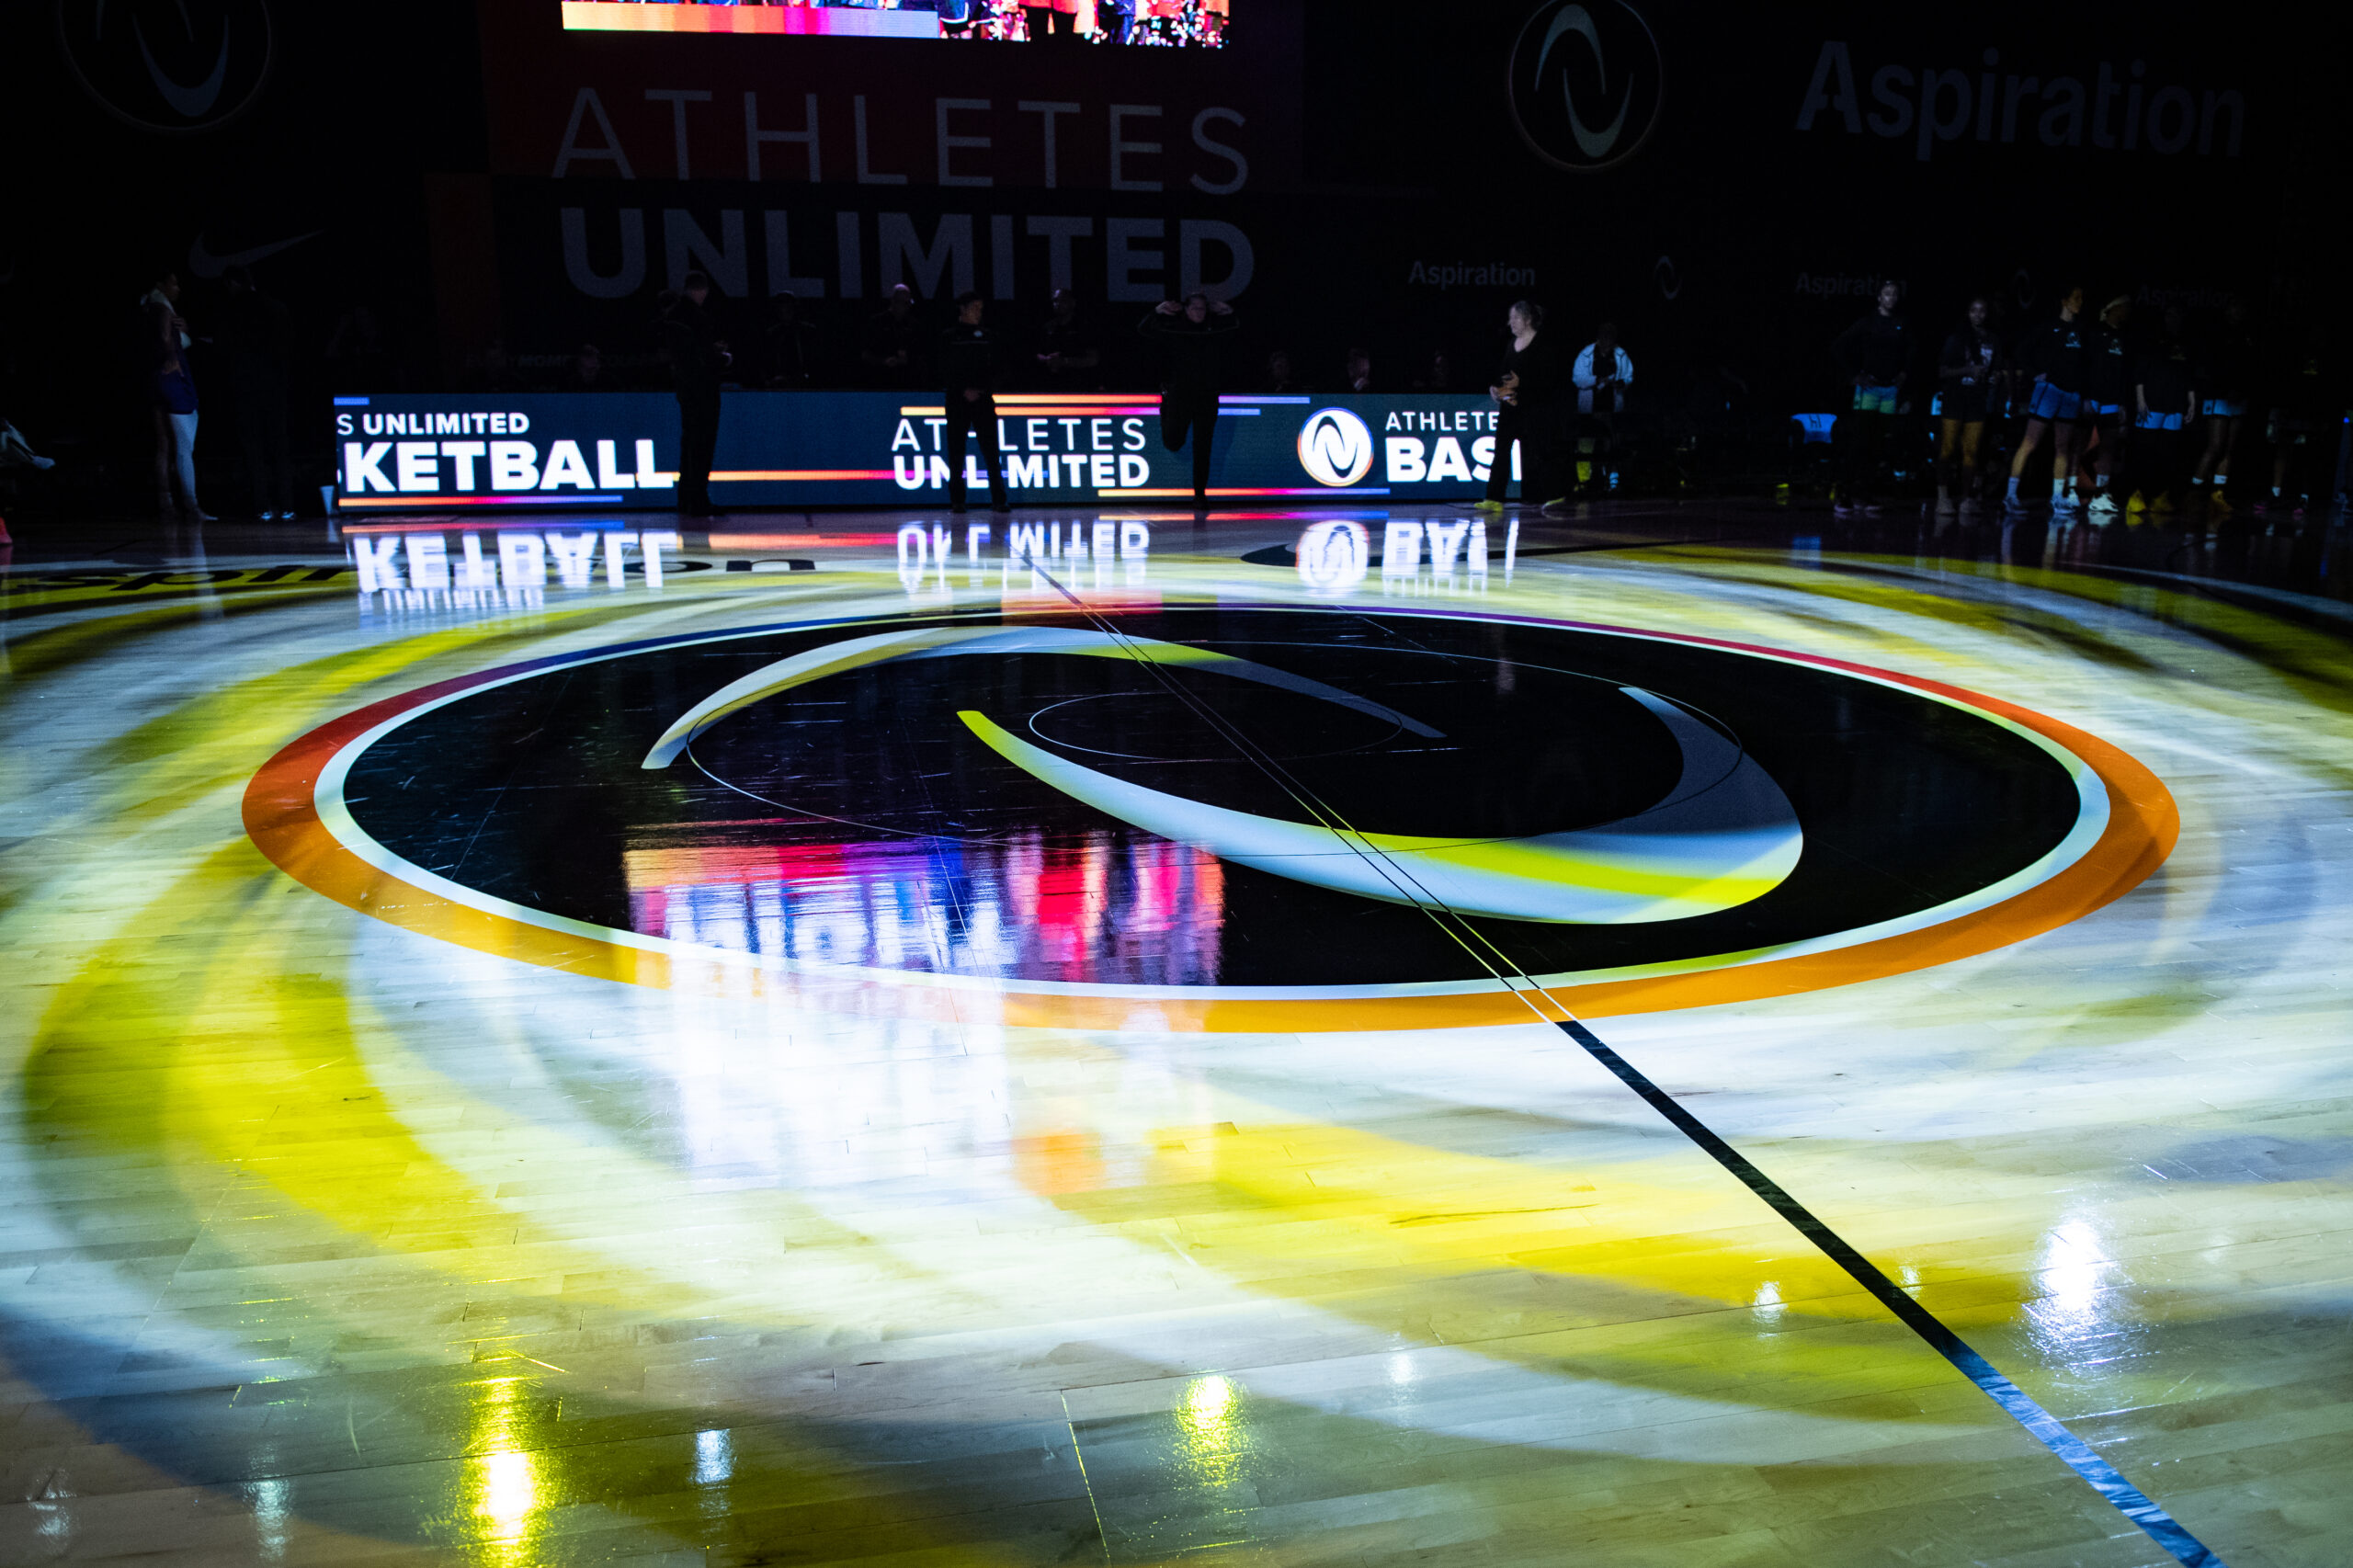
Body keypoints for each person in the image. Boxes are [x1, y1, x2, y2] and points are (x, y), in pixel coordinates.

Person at [1139, 292, 1237, 506]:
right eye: (1194, 308)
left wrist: (1229, 312)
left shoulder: (1214, 330)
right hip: (1179, 396)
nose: (1198, 312)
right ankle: (1164, 410)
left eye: (1202, 308)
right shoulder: (1175, 329)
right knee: (1173, 442)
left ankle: (1200, 494)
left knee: (1203, 446)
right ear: (1186, 309)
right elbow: (1144, 329)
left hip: (1207, 396)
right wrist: (1156, 311)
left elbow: (1236, 330)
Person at [2005, 284, 2090, 517]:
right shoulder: (2048, 327)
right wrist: (2036, 375)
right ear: (2064, 301)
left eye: (2081, 298)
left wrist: (2083, 394)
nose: (2079, 302)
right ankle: (2010, 496)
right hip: (2049, 391)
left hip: (2071, 395)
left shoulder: (2081, 330)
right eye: (2076, 297)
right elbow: (2020, 352)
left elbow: (2083, 366)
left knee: (2062, 446)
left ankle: (2057, 498)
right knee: (2030, 443)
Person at [219, 265, 296, 520]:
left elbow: (225, 349)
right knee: (279, 446)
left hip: (246, 389)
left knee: (253, 448)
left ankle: (262, 506)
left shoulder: (230, 312)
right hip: (275, 388)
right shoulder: (277, 308)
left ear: (232, 284)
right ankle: (287, 505)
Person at [657, 271, 731, 517]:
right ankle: (698, 501)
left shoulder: (673, 316)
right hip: (702, 388)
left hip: (686, 387)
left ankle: (687, 499)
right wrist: (722, 358)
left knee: (690, 443)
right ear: (703, 290)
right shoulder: (696, 316)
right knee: (701, 444)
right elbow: (702, 357)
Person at [1832, 281, 1908, 516]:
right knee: (1859, 442)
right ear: (1879, 297)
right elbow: (1839, 345)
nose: (1891, 297)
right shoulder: (1868, 323)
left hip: (1889, 391)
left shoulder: (1900, 324)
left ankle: (1864, 492)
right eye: (1887, 293)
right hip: (1869, 389)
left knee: (1878, 443)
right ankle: (1844, 492)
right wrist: (1854, 375)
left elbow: (1910, 352)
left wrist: (1904, 374)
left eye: (1894, 294)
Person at [1480, 300, 1561, 512]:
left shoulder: (1542, 344)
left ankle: (1553, 494)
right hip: (1511, 408)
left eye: (1515, 318)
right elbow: (1504, 375)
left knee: (1539, 451)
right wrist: (1497, 390)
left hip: (1535, 408)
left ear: (1527, 319)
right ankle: (1494, 498)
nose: (1510, 323)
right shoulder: (1511, 345)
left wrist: (1522, 384)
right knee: (1501, 450)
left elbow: (1549, 379)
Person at [142, 270, 210, 521]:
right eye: (174, 282)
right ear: (160, 284)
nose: (178, 288)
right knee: (183, 448)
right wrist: (173, 358)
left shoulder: (147, 308)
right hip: (171, 381)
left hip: (155, 380)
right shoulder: (162, 308)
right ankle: (191, 506)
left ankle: (166, 505)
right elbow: (164, 336)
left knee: (164, 446)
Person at [938, 290, 1008, 513]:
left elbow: (998, 368)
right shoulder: (949, 336)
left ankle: (998, 499)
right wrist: (962, 389)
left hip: (983, 399)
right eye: (975, 307)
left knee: (991, 450)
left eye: (981, 308)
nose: (979, 312)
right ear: (963, 308)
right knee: (956, 450)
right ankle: (957, 500)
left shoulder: (988, 336)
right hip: (957, 399)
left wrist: (981, 389)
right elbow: (943, 369)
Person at [2126, 309, 2197, 518]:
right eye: (2170, 316)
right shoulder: (2152, 341)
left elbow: (2188, 375)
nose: (2174, 320)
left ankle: (2160, 498)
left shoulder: (2184, 345)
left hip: (2175, 406)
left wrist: (2191, 402)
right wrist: (2140, 399)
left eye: (2178, 317)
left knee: (2168, 453)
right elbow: (2140, 372)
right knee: (2145, 450)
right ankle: (2136, 496)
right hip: (2152, 403)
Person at [2190, 296, 2257, 512]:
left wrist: (2242, 390)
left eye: (2241, 308)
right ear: (2228, 310)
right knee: (2215, 446)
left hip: (2239, 397)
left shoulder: (2246, 336)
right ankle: (2194, 491)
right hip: (2218, 396)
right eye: (2234, 308)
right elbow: (2211, 367)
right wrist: (2224, 388)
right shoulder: (2217, 334)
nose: (2238, 312)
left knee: (2229, 448)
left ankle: (2217, 495)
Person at [1934, 296, 1999, 517]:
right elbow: (1942, 372)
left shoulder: (1993, 339)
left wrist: (1993, 377)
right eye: (1974, 310)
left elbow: (1995, 368)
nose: (1978, 315)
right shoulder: (1957, 338)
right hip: (1955, 397)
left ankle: (1966, 498)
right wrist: (1967, 371)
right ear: (1968, 313)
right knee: (1948, 448)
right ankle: (1942, 497)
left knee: (1971, 451)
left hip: (1977, 400)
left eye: (1982, 310)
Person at [2078, 296, 2133, 522]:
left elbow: (2124, 373)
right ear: (2112, 309)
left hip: (2112, 400)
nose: (2126, 313)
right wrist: (2086, 396)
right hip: (2092, 399)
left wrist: (2122, 403)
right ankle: (2073, 492)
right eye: (2123, 308)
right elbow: (2085, 365)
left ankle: (2101, 494)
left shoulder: (2124, 338)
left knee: (2109, 447)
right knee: (2080, 446)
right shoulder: (2094, 333)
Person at [1571, 321, 1633, 499]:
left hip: (1612, 410)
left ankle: (1612, 481)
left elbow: (1628, 377)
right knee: (1585, 445)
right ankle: (1583, 481)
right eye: (1604, 336)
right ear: (1599, 337)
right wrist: (1597, 380)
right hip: (1589, 410)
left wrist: (1621, 383)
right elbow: (1577, 378)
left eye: (1610, 336)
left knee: (1611, 445)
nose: (1607, 340)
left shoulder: (1620, 354)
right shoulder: (1587, 354)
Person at [1032, 288, 1099, 392]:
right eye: (1055, 301)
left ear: (1072, 303)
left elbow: (1093, 360)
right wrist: (1048, 360)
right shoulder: (1048, 327)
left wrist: (1065, 361)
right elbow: (1037, 353)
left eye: (1062, 301)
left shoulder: (1083, 328)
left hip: (1078, 386)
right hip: (1051, 386)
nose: (1058, 304)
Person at [860, 284, 925, 388]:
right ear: (893, 301)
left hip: (908, 382)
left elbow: (921, 354)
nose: (906, 307)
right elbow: (865, 354)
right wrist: (884, 361)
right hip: (881, 381)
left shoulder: (914, 325)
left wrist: (909, 360)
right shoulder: (877, 323)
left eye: (908, 303)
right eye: (902, 303)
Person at [761, 294, 822, 388]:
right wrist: (771, 379)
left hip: (806, 384)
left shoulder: (808, 331)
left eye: (788, 308)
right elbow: (766, 359)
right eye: (781, 308)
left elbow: (815, 358)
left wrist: (808, 376)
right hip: (778, 384)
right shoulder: (772, 334)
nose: (784, 311)